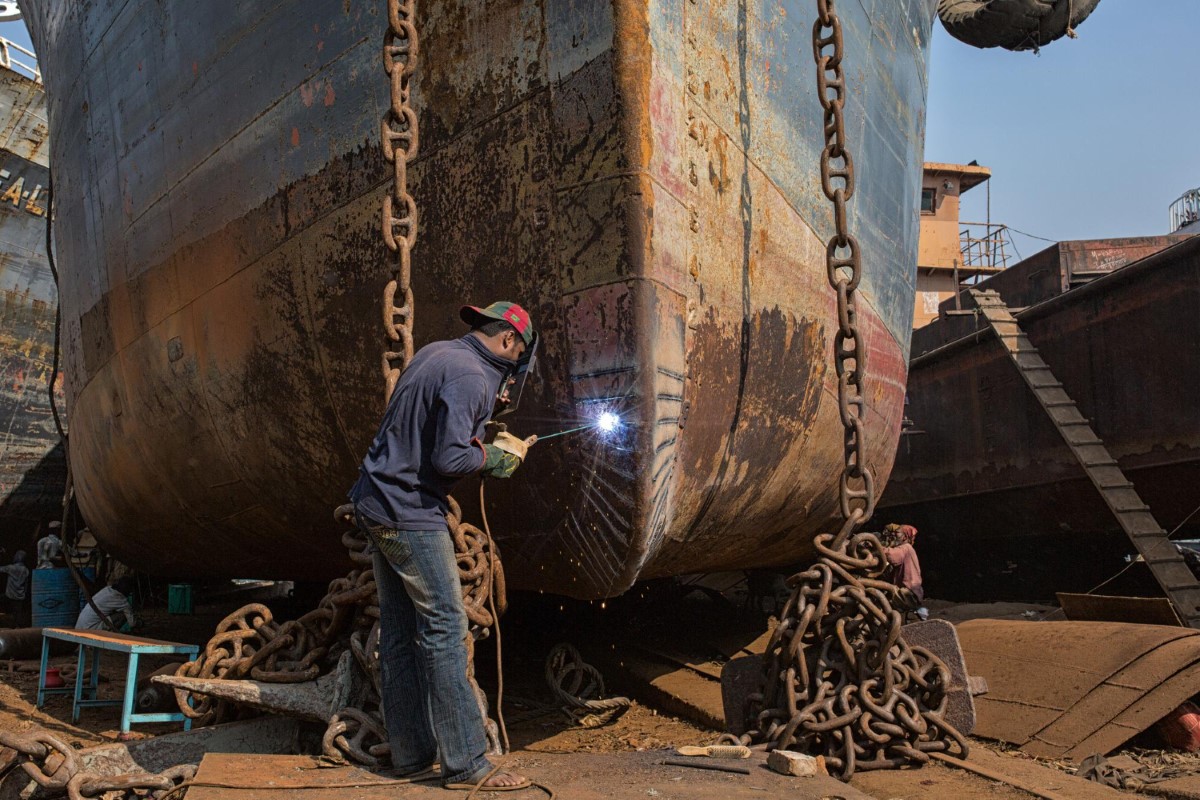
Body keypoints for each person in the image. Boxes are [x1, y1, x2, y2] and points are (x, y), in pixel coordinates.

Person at [349, 302, 538, 792]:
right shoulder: (475, 377)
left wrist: (482, 428)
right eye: (516, 364)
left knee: (399, 633)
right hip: (409, 512)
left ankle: (411, 755)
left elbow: (431, 426)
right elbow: (450, 456)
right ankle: (466, 764)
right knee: (445, 630)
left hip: (375, 501)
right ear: (508, 342)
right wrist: (496, 457)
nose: (511, 379)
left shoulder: (440, 354)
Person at [881, 524, 928, 621]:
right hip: (911, 592)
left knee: (880, 603)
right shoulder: (906, 548)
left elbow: (892, 556)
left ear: (905, 537)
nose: (894, 535)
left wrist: (878, 547)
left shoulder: (906, 548)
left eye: (897, 533)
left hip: (907, 593)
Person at [0, 550, 30, 626]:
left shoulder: (11, 568)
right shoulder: (26, 570)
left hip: (10, 595)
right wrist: (24, 594)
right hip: (20, 595)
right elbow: (26, 585)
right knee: (17, 613)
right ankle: (17, 626)